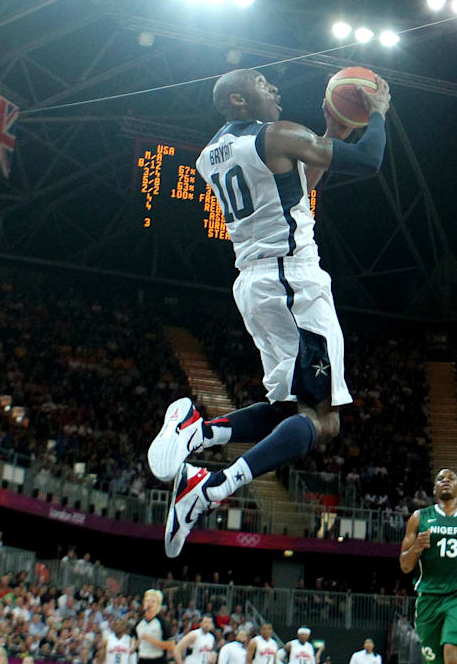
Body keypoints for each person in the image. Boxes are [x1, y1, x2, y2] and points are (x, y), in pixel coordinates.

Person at [150, 67, 391, 557]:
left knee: (290, 411)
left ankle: (200, 434)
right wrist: (379, 114)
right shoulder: (280, 135)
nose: (275, 89)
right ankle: (212, 486)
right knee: (322, 420)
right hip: (293, 281)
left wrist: (328, 137)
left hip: (257, 285)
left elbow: (296, 189)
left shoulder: (209, 154)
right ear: (239, 100)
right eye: (263, 83)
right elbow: (369, 161)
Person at [400, 468, 457, 664]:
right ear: (434, 489)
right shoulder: (419, 517)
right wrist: (417, 547)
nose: (446, 480)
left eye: (451, 478)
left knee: (452, 651)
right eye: (440, 478)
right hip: (429, 597)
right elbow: (405, 566)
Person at [137, 590, 177, 664]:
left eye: (153, 601)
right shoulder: (139, 622)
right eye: (147, 601)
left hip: (157, 659)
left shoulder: (162, 622)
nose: (149, 604)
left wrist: (152, 640)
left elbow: (171, 645)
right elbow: (135, 638)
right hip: (142, 659)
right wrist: (134, 644)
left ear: (158, 605)